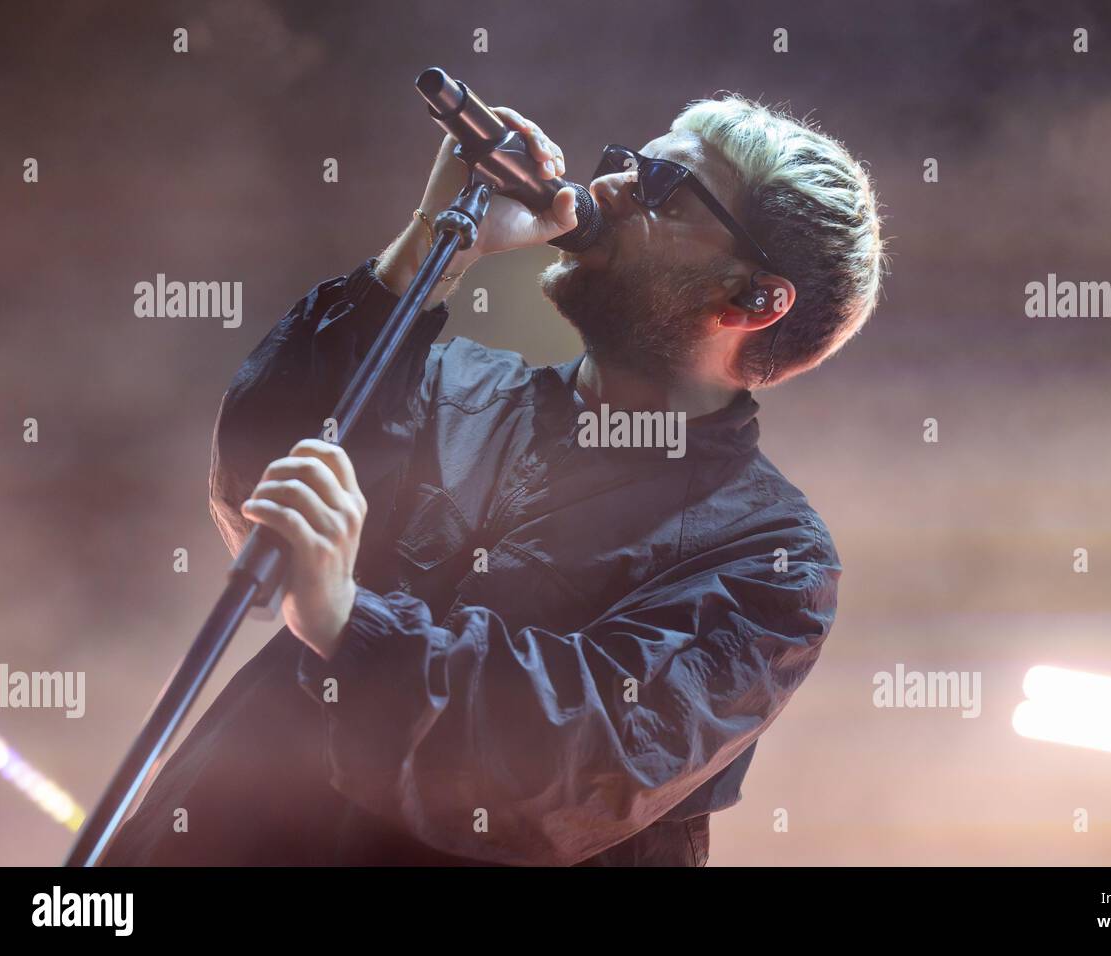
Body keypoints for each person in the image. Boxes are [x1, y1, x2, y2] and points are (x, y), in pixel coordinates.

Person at [103, 94, 884, 866]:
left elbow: (571, 759)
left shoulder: (770, 559)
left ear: (754, 298)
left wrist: (349, 620)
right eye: (625, 163)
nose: (608, 188)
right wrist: (428, 246)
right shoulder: (451, 385)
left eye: (663, 189)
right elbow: (253, 482)